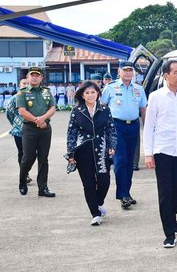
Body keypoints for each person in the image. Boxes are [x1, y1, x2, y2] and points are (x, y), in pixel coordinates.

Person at [143, 60, 177, 248]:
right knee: (166, 192)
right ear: (166, 75)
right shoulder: (156, 97)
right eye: (176, 72)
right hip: (163, 150)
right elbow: (149, 126)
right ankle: (169, 233)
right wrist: (148, 153)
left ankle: (172, 220)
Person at [66, 81, 117, 226]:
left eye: (93, 92)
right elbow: (71, 133)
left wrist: (112, 145)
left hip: (102, 150)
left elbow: (111, 130)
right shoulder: (76, 111)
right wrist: (70, 153)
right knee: (88, 184)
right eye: (87, 92)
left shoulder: (105, 110)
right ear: (82, 95)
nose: (90, 95)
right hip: (83, 151)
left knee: (104, 181)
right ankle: (95, 213)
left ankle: (98, 203)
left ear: (98, 94)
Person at [101, 61, 147, 209]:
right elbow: (102, 106)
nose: (128, 73)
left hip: (133, 126)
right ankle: (123, 195)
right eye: (125, 70)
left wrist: (146, 127)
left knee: (129, 162)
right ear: (119, 71)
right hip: (116, 126)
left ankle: (126, 192)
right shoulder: (110, 88)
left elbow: (143, 109)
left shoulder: (139, 89)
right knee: (120, 160)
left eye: (130, 70)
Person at [16, 67, 57, 197]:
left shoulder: (47, 92)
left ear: (41, 78)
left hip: (45, 128)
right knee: (28, 158)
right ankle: (22, 180)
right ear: (28, 77)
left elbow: (52, 108)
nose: (34, 77)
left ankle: (43, 188)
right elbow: (22, 111)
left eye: (37, 75)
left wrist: (43, 119)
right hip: (29, 129)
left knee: (43, 159)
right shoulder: (22, 93)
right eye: (32, 75)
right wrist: (36, 120)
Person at [6, 78, 32, 183]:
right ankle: (24, 174)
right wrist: (16, 124)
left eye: (28, 83)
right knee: (22, 153)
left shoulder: (32, 98)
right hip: (19, 132)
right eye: (24, 83)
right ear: (19, 85)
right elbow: (9, 113)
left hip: (32, 131)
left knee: (31, 154)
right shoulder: (14, 99)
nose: (26, 85)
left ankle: (26, 171)